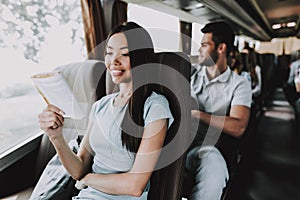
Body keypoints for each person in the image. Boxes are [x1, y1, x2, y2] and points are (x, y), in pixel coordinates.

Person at [36, 22, 174, 199]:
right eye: (109, 53)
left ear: (141, 58)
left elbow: (135, 186)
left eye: (124, 54)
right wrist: (56, 137)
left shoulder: (155, 106)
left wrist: (88, 179)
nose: (113, 61)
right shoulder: (100, 106)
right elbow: (79, 169)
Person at [185, 21, 252, 200]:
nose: (199, 49)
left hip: (202, 149)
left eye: (205, 44)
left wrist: (197, 114)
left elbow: (238, 127)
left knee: (212, 162)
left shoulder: (239, 84)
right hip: (175, 142)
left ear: (221, 48)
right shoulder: (190, 74)